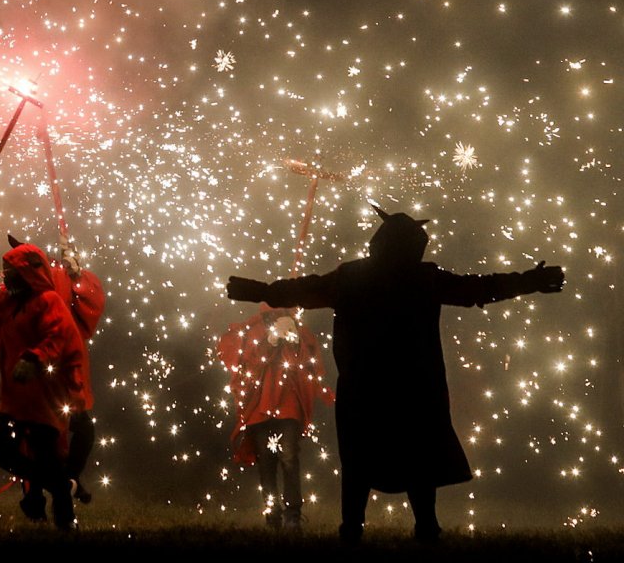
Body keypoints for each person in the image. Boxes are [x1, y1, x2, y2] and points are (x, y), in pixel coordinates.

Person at [227, 206, 565, 542]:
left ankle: (353, 530)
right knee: (418, 461)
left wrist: (262, 291)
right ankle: (425, 529)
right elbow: (477, 288)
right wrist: (530, 281)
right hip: (415, 388)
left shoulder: (351, 277)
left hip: (364, 388)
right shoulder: (425, 278)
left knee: (360, 461)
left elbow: (304, 290)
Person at [0, 217, 85, 530]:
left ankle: (64, 521)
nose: (5, 277)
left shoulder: (48, 301)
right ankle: (59, 487)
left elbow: (58, 336)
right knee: (4, 453)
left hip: (43, 399)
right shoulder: (6, 302)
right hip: (13, 399)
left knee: (45, 457)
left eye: (11, 273)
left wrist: (34, 358)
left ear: (28, 274)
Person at [217, 306, 333, 530]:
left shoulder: (298, 330)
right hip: (260, 408)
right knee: (266, 462)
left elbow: (308, 366)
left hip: (288, 407)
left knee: (289, 457)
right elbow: (248, 365)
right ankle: (273, 515)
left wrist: (295, 339)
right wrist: (270, 340)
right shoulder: (255, 328)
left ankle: (292, 515)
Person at [39, 234, 106, 505]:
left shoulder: (65, 274)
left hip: (69, 371)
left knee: (81, 430)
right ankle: (53, 491)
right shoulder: (33, 277)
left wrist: (78, 274)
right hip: (44, 370)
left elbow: (92, 306)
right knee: (43, 435)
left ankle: (69, 480)